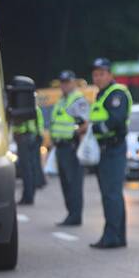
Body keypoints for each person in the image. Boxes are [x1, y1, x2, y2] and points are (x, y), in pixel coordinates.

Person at [88, 58, 132, 249]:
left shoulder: (116, 94)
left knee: (111, 195)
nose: (97, 78)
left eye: (101, 74)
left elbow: (116, 120)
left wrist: (93, 129)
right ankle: (118, 236)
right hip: (105, 149)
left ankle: (111, 236)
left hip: (113, 148)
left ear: (110, 75)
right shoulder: (102, 95)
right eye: (95, 74)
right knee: (112, 194)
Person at [50, 70, 90, 226]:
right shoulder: (61, 100)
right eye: (62, 82)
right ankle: (71, 213)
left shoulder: (77, 100)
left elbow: (85, 124)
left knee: (74, 183)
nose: (64, 85)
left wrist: (74, 133)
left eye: (67, 82)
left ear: (73, 82)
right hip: (60, 146)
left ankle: (75, 215)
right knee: (65, 183)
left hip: (72, 147)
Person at [14, 96, 46, 205]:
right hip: (33, 138)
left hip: (24, 138)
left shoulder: (23, 109)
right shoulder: (36, 109)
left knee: (26, 169)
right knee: (31, 168)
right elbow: (39, 125)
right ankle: (30, 194)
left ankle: (28, 197)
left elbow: (19, 125)